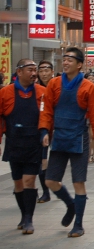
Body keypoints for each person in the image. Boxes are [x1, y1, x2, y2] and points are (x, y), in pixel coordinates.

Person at [39, 47, 94, 238]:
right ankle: (70, 204)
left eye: (70, 59)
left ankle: (78, 224)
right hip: (59, 137)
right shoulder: (53, 84)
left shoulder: (87, 87)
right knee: (50, 181)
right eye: (64, 58)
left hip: (79, 139)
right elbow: (47, 111)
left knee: (79, 182)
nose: (66, 62)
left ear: (79, 64)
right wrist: (44, 131)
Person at [0, 59, 46, 234]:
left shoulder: (42, 92)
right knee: (18, 183)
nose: (34, 74)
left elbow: (47, 115)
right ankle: (23, 214)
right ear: (19, 72)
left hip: (34, 143)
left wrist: (45, 133)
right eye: (30, 70)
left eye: (35, 70)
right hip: (14, 143)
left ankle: (29, 219)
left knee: (29, 181)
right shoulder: (5, 93)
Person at [36, 60, 54, 204]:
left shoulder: (57, 86)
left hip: (58, 129)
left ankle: (56, 187)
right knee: (42, 161)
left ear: (52, 72)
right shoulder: (35, 88)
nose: (44, 74)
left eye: (46, 70)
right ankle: (46, 192)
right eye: (41, 71)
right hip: (42, 130)